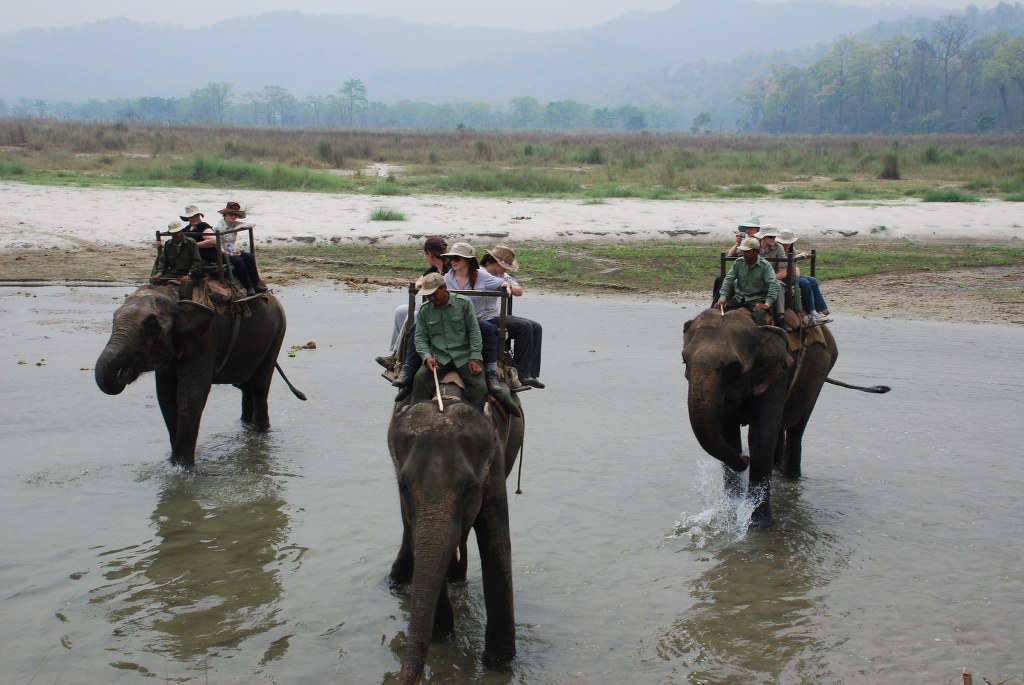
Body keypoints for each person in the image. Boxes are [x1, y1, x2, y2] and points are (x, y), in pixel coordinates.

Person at [408, 272, 489, 411]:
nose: (431, 298)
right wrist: (426, 356)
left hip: (464, 357)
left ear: (444, 288)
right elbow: (420, 337)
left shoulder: (464, 303)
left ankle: (477, 416)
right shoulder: (424, 310)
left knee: (480, 386)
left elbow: (474, 332)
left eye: (433, 294)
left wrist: (475, 357)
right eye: (428, 295)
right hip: (439, 357)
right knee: (420, 378)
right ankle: (416, 414)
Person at [441, 242, 510, 393]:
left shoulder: (482, 276)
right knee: (416, 327)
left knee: (490, 329)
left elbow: (502, 283)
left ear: (468, 260)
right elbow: (429, 285)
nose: (453, 261)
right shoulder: (446, 278)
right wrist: (421, 283)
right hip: (449, 321)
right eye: (451, 258)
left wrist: (506, 286)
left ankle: (491, 371)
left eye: (457, 258)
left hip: (473, 321)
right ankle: (407, 367)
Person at [375, 235, 449, 371]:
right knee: (401, 310)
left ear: (429, 254)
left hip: (442, 308)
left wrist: (424, 285)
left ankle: (397, 357)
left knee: (412, 316)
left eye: (425, 254)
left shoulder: (449, 269)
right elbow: (418, 282)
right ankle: (395, 353)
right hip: (432, 304)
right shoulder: (434, 269)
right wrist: (422, 283)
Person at [480, 244, 545, 389]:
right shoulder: (481, 273)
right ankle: (522, 373)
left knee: (536, 327)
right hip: (485, 317)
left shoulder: (501, 275)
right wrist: (504, 286)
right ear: (496, 263)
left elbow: (518, 290)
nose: (505, 270)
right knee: (524, 326)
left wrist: (508, 285)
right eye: (504, 266)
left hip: (494, 314)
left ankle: (531, 373)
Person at [715, 237, 783, 327]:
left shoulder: (765, 266)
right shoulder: (738, 263)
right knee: (716, 311)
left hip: (756, 299)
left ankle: (761, 338)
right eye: (743, 251)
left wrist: (767, 304)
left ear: (755, 252)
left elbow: (774, 284)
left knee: (760, 319)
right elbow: (728, 280)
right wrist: (723, 298)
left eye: (747, 251)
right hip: (738, 298)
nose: (743, 254)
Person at [777, 228, 831, 322]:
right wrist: (795, 259)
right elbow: (783, 267)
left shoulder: (792, 249)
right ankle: (812, 310)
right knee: (805, 282)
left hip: (791, 274)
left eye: (788, 242)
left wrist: (795, 262)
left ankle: (821, 308)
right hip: (782, 275)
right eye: (784, 243)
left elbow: (794, 268)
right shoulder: (778, 250)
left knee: (813, 280)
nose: (786, 245)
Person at [214, 201, 266, 297]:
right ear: (225, 214)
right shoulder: (218, 227)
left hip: (233, 251)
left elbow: (252, 223)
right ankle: (248, 286)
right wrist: (229, 254)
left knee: (249, 256)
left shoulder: (235, 224)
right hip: (222, 253)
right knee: (239, 260)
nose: (233, 216)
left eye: (235, 214)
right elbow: (217, 246)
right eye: (231, 214)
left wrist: (239, 227)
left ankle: (256, 284)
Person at [712, 216, 762, 304]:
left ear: (757, 230)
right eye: (747, 228)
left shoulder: (761, 242)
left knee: (726, 280)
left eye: (750, 228)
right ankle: (716, 303)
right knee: (719, 279)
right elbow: (730, 254)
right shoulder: (745, 242)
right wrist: (737, 243)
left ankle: (718, 303)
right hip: (741, 270)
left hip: (753, 271)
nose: (748, 231)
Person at [151, 220, 202, 300]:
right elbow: (163, 261)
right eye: (174, 233)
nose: (176, 235)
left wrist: (189, 274)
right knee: (154, 281)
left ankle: (186, 304)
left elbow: (197, 261)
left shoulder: (191, 242)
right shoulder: (168, 244)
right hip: (173, 273)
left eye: (178, 232)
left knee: (187, 285)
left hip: (190, 275)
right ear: (171, 234)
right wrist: (159, 273)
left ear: (182, 231)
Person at [754, 224, 792, 330]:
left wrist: (769, 279)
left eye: (774, 237)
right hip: (753, 278)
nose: (773, 239)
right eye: (771, 237)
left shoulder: (778, 248)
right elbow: (737, 253)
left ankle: (780, 317)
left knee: (778, 285)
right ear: (763, 237)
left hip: (772, 279)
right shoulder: (753, 246)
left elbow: (783, 273)